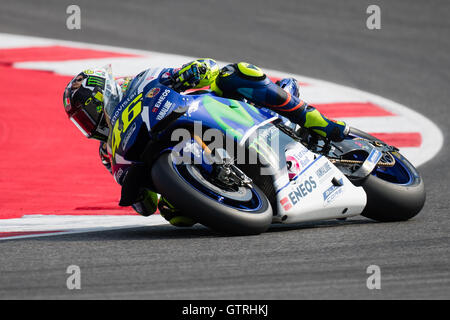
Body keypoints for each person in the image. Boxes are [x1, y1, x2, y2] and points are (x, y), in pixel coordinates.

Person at [63, 59, 348, 227]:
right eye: (82, 123)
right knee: (174, 216)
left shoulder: (141, 82)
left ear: (102, 96)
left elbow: (204, 69)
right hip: (179, 156)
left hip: (216, 113)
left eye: (88, 114)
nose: (90, 125)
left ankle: (317, 122)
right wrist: (141, 193)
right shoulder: (108, 152)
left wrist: (190, 72)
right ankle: (231, 192)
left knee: (235, 74)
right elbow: (146, 206)